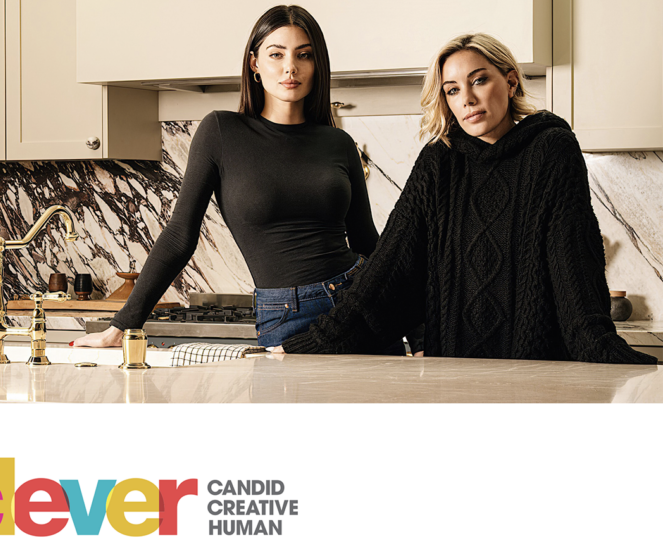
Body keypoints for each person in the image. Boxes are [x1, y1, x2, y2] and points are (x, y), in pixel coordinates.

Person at [270, 33, 657, 365]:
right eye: (453, 90)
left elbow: (572, 260)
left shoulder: (551, 148)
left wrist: (601, 347)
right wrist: (315, 343)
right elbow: (388, 270)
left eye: (479, 80)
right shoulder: (439, 161)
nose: (467, 99)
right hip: (452, 374)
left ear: (510, 80)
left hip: (537, 370)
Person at [73, 4, 393, 351]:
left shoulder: (339, 143)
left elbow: (368, 244)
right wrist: (121, 325)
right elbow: (180, 235)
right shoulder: (222, 132)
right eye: (276, 54)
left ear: (317, 66)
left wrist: (418, 330)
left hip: (359, 303)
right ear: (255, 63)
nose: (290, 67)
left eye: (304, 55)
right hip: (287, 318)